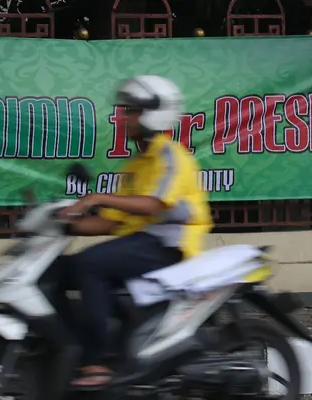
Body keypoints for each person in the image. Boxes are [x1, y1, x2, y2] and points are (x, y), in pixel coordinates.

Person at [55, 75, 214, 387]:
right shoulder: (134, 166)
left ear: (153, 114)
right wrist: (63, 222)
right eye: (125, 111)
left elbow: (154, 204)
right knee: (61, 269)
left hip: (170, 246)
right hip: (141, 244)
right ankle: (110, 333)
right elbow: (111, 221)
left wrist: (96, 198)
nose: (123, 118)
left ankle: (99, 361)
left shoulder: (171, 156)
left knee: (91, 263)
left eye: (131, 112)